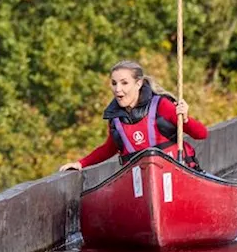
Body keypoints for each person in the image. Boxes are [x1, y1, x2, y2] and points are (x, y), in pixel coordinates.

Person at [59, 60, 208, 172]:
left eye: (124, 83)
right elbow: (109, 148)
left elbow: (201, 134)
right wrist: (80, 163)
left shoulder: (162, 105)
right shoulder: (115, 118)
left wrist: (185, 119)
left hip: (177, 174)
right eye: (114, 83)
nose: (118, 89)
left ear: (138, 84)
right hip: (139, 184)